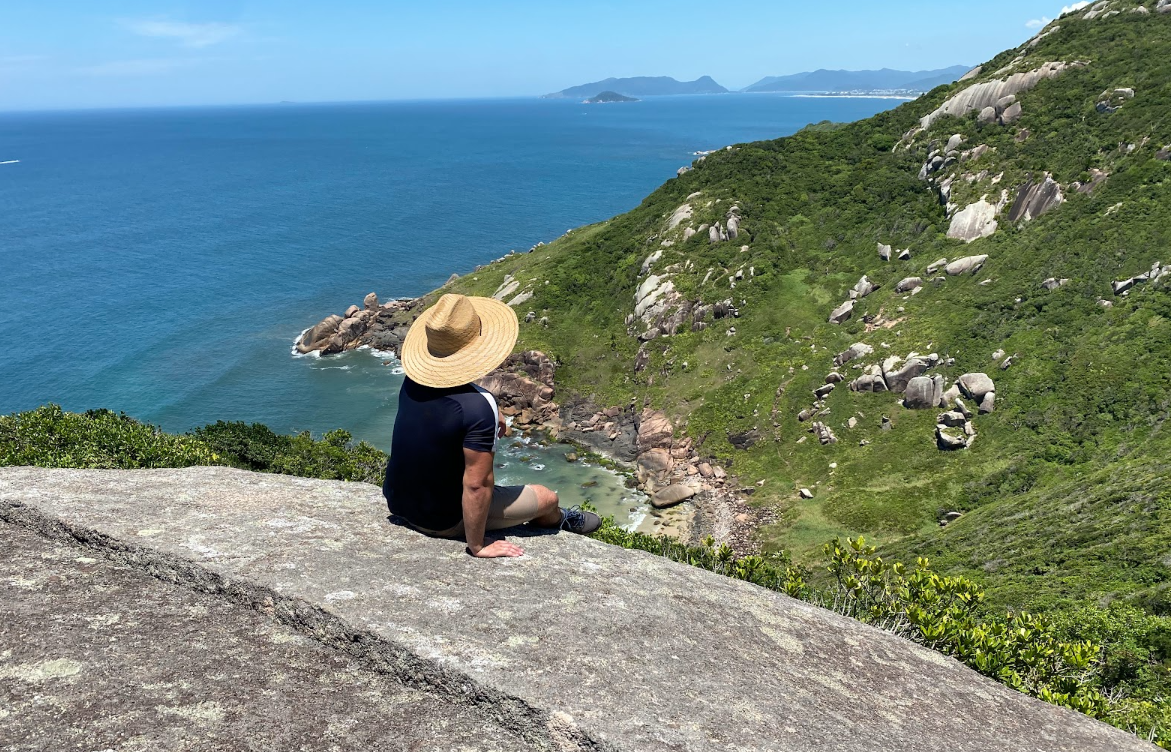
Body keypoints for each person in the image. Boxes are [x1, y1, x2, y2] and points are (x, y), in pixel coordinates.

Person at [383, 293, 601, 558]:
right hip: (443, 521)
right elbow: (478, 485)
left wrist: (491, 405)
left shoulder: (413, 381)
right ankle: (561, 519)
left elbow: (449, 404)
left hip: (399, 503)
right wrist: (478, 545)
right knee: (547, 497)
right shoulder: (477, 407)